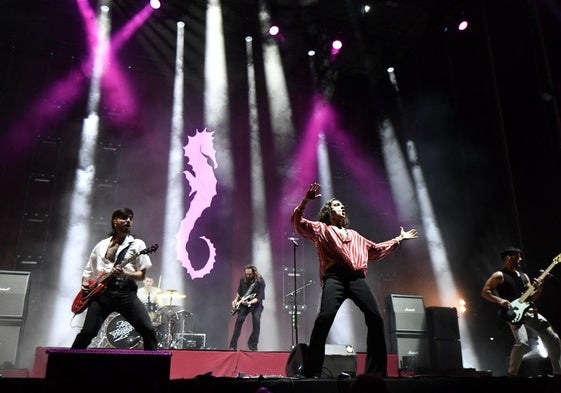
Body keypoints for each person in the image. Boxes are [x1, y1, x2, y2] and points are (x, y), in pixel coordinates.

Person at [291, 183, 418, 378]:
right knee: (325, 317)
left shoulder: (355, 235)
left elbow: (375, 250)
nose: (342, 207)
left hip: (356, 278)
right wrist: (306, 200)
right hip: (334, 278)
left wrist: (398, 240)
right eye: (336, 205)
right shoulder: (321, 229)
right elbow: (298, 222)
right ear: (328, 212)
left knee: (375, 318)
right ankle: (311, 370)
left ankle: (376, 372)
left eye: (342, 205)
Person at [71, 207, 158, 350]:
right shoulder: (101, 245)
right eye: (124, 218)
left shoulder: (138, 244)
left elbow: (142, 275)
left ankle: (153, 369)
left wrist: (125, 274)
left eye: (130, 218)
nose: (128, 220)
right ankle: (66, 366)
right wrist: (85, 283)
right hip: (102, 294)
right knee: (87, 332)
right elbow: (88, 270)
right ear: (115, 221)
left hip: (126, 294)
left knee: (148, 331)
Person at [481, 247, 561, 376]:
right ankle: (512, 374)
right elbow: (485, 292)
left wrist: (540, 288)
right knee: (522, 342)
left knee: (553, 337)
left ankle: (558, 373)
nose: (520, 259)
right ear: (508, 258)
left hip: (528, 311)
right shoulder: (499, 275)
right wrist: (500, 300)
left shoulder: (524, 277)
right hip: (513, 312)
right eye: (517, 256)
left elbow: (533, 297)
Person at [228, 264, 266, 351]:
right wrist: (235, 300)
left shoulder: (260, 281)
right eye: (246, 274)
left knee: (256, 321)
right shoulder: (243, 280)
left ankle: (253, 346)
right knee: (239, 320)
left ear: (254, 273)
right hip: (243, 304)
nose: (248, 276)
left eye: (250, 274)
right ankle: (232, 346)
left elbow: (259, 298)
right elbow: (239, 292)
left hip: (255, 304)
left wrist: (249, 302)